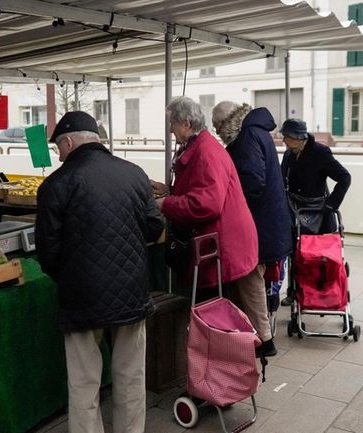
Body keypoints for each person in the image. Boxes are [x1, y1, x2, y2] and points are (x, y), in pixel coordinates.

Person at [36, 111, 164, 433]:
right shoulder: (135, 174)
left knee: (83, 382)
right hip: (132, 290)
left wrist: (69, 275)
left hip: (82, 294)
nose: (59, 155)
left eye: (58, 148)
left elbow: (47, 252)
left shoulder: (55, 184)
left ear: (68, 142)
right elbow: (154, 226)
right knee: (131, 377)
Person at [151, 96, 258, 306]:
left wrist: (165, 204)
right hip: (222, 244)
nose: (170, 130)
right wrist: (169, 190)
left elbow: (208, 204)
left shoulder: (206, 152)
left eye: (171, 123)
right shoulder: (203, 145)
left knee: (215, 313)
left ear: (186, 123)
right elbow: (201, 188)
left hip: (222, 248)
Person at [211, 101, 292, 357]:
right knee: (254, 281)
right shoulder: (257, 130)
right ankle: (257, 334)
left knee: (250, 280)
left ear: (226, 122)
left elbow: (252, 182)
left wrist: (228, 202)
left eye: (217, 126)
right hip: (271, 223)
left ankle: (264, 341)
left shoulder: (246, 137)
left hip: (259, 226)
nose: (216, 132)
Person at [279, 118, 351, 305]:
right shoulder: (289, 154)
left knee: (312, 254)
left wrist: (331, 205)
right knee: (293, 252)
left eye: (286, 137)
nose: (283, 141)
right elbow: (281, 180)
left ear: (297, 137)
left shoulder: (320, 153)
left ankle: (315, 291)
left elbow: (344, 177)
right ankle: (293, 292)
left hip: (317, 212)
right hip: (293, 210)